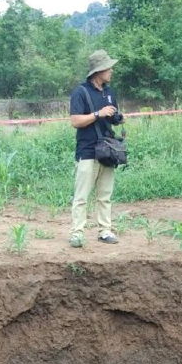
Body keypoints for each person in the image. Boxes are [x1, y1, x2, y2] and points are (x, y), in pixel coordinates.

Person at [69, 49, 124, 247]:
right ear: (98, 71)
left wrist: (116, 118)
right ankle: (77, 233)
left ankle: (105, 231)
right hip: (87, 151)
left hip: (107, 150)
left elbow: (112, 116)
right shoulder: (80, 92)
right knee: (81, 196)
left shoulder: (109, 93)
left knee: (105, 195)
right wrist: (98, 114)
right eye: (108, 68)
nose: (111, 71)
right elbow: (76, 121)